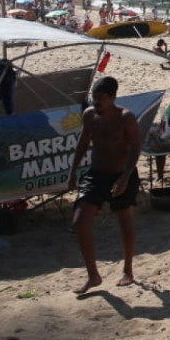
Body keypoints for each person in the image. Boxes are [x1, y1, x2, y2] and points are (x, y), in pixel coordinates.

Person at [67, 76, 140, 294]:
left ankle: (128, 270)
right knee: (80, 223)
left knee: (125, 221)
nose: (96, 103)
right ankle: (93, 276)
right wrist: (72, 172)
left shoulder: (126, 118)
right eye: (94, 99)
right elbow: (82, 144)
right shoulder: (89, 115)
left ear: (112, 98)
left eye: (100, 99)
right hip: (96, 174)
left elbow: (136, 149)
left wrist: (125, 177)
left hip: (121, 173)